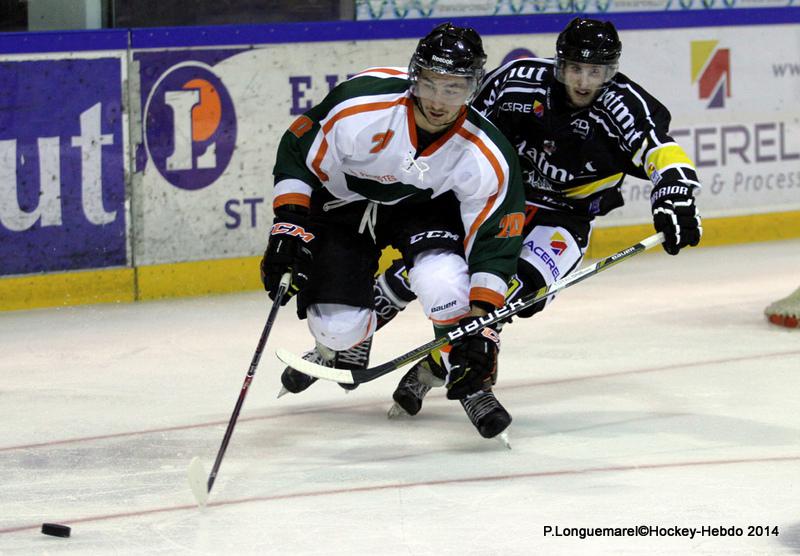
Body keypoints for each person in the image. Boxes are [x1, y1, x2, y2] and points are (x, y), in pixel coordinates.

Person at [374, 17, 704, 418]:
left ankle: (437, 367)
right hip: (501, 200)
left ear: (610, 71)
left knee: (511, 294)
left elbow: (660, 150)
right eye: (575, 69)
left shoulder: (624, 105)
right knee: (438, 264)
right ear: (559, 63)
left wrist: (676, 193)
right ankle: (362, 320)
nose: (583, 81)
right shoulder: (519, 80)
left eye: (595, 71)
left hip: (565, 219)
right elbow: (462, 124)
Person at [261, 23, 526, 439]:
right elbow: (298, 149)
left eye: (454, 88)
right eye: (431, 83)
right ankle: (355, 330)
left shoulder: (486, 152)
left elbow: (495, 240)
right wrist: (289, 226)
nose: (439, 101)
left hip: (422, 209)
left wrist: (482, 325)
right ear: (414, 75)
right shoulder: (360, 103)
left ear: (473, 88)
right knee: (337, 329)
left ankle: (469, 377)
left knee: (443, 282)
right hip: (345, 203)